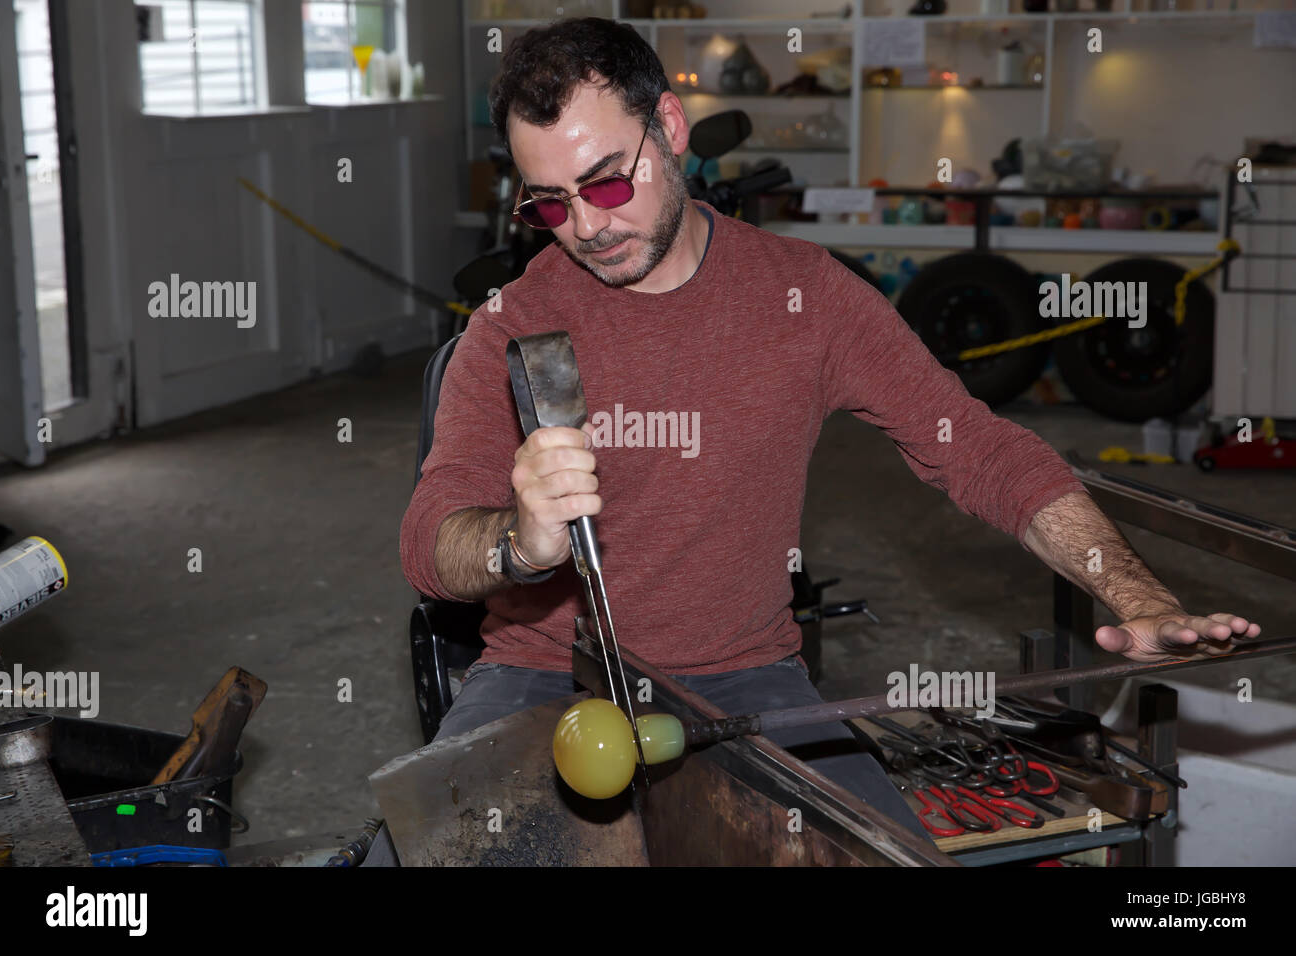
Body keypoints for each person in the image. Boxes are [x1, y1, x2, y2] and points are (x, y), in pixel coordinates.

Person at [400, 17, 1259, 842]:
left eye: (608, 183)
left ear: (669, 126)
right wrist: (518, 543)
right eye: (549, 206)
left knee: (876, 852)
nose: (586, 227)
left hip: (744, 675)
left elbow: (980, 450)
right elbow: (430, 544)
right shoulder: (514, 324)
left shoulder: (806, 297)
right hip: (544, 676)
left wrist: (1139, 597)